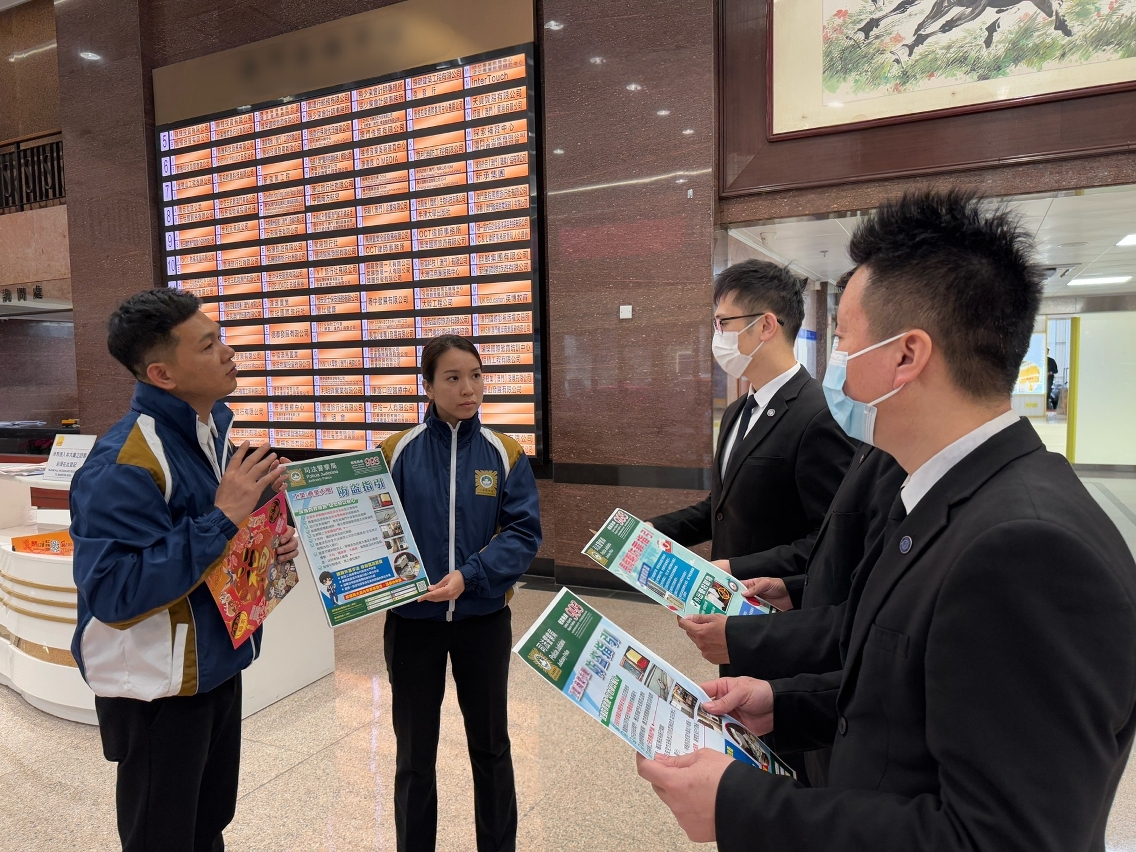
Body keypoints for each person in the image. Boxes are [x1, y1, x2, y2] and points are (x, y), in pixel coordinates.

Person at [637, 189, 1136, 851]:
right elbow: (901, 688)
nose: (835, 366)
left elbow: (1003, 838)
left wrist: (742, 806)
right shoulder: (945, 497)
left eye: (844, 340)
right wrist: (781, 704)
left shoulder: (1027, 549)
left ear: (907, 355)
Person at [70, 288, 297, 852]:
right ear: (162, 374)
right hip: (158, 692)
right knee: (163, 837)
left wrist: (267, 538)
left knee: (208, 823)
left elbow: (214, 544)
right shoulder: (124, 462)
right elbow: (115, 593)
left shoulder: (210, 434)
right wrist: (223, 518)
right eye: (208, 344)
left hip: (218, 666)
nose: (228, 353)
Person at [380, 334, 541, 852]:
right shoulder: (395, 452)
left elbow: (523, 534)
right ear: (427, 386)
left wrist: (470, 576)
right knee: (414, 756)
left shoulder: (504, 453)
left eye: (475, 375)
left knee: (491, 748)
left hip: (483, 623)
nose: (468, 388)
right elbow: (368, 527)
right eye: (452, 378)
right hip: (413, 626)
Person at [675, 441, 906, 785]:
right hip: (821, 699)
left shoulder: (906, 470)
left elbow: (877, 623)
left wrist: (742, 638)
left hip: (847, 703)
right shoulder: (871, 447)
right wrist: (793, 590)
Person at [649, 260, 853, 581]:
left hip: (778, 603)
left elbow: (830, 538)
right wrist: (653, 530)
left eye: (723, 323)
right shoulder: (737, 411)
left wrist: (738, 569)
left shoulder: (820, 414)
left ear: (766, 326)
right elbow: (722, 507)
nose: (717, 335)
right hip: (729, 599)